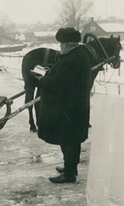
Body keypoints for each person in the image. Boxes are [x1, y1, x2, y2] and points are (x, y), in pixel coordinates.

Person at [35, 27, 92, 183]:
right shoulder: (77, 55)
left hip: (68, 109)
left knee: (68, 140)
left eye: (61, 44)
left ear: (67, 44)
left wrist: (42, 79)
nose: (60, 47)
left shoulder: (72, 59)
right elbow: (64, 78)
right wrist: (50, 72)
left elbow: (58, 84)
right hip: (74, 107)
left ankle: (69, 174)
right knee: (71, 140)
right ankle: (70, 167)